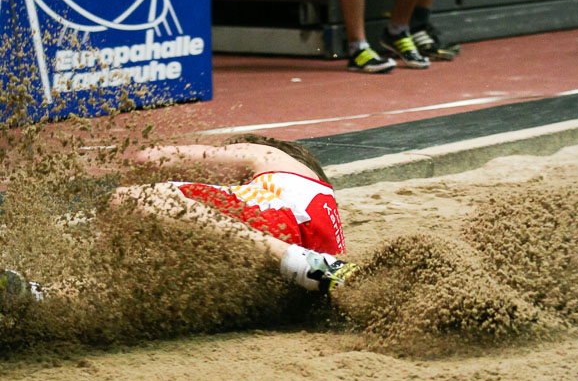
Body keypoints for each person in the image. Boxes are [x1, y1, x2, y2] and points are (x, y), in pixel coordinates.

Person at [1, 135, 357, 304]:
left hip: (279, 236)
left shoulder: (268, 154)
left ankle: (297, 262)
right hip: (312, 257)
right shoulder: (322, 197)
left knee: (127, 202)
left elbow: (148, 158)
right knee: (169, 274)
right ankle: (38, 297)